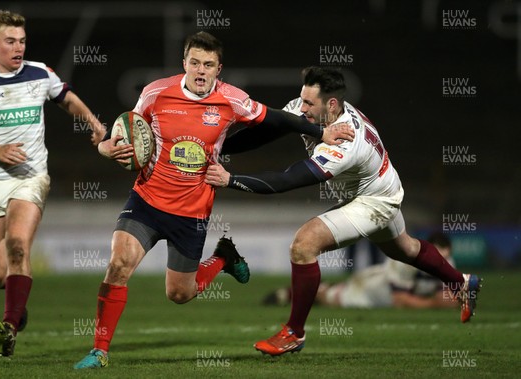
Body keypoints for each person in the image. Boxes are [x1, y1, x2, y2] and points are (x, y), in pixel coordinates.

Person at [73, 32, 355, 369]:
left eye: (208, 64)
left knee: (180, 294)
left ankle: (223, 258)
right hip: (147, 199)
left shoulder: (231, 99)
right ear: (184, 63)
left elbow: (277, 118)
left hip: (192, 211)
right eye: (194, 63)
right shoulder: (155, 93)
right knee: (118, 265)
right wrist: (108, 148)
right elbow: (123, 133)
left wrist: (322, 133)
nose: (200, 70)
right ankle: (99, 351)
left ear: (218, 68)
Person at [205, 66, 481, 356]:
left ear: (332, 104)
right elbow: (269, 131)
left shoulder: (345, 141)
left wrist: (230, 179)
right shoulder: (314, 112)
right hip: (383, 184)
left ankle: (294, 333)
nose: (302, 108)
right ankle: (461, 283)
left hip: (375, 199)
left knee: (304, 244)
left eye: (310, 103)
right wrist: (221, 146)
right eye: (302, 99)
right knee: (406, 250)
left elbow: (288, 180)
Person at [0, 10, 106, 357]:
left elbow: (66, 97)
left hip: (30, 177)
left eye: (21, 40)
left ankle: (8, 326)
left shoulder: (39, 72)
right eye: (10, 41)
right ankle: (17, 306)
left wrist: (92, 121)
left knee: (18, 245)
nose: (18, 47)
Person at [263, 231, 458, 309]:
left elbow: (450, 297)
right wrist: (433, 304)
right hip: (370, 289)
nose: (440, 261)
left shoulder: (448, 264)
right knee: (329, 298)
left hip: (382, 285)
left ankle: (322, 287)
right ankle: (291, 293)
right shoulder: (405, 263)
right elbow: (400, 300)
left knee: (333, 291)